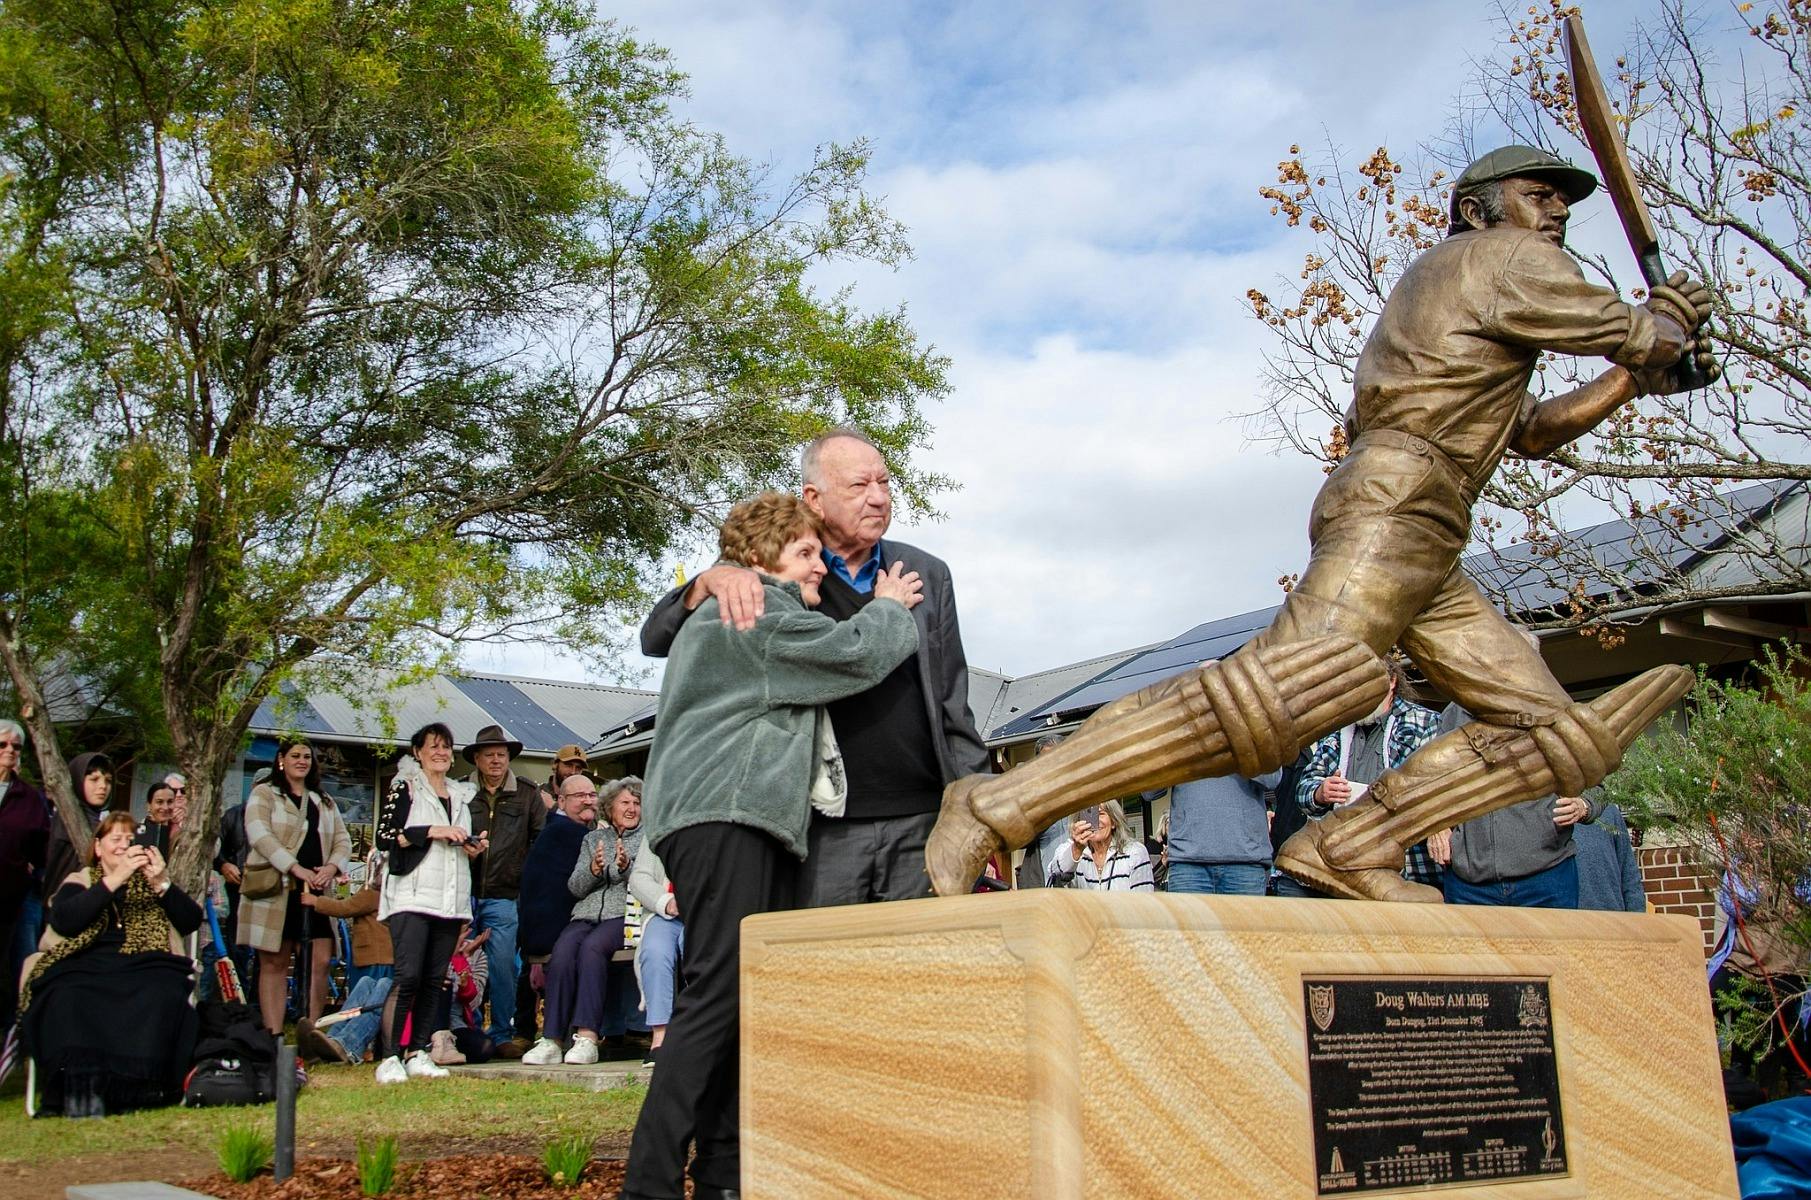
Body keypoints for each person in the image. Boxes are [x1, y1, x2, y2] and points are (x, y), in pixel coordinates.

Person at [925, 145, 1712, 902]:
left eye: (1561, 204)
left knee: (1547, 732)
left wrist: (1634, 378)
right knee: (1285, 691)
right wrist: (1662, 328)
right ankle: (999, 803)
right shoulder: (1501, 256)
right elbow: (1637, 332)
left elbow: (1531, 429)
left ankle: (1350, 844)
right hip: (1399, 502)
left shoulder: (1462, 285)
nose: (1555, 215)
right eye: (1537, 197)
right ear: (1478, 212)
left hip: (1425, 521)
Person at [623, 491, 922, 1200]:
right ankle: (649, 1183)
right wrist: (888, 606)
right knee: (717, 992)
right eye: (805, 552)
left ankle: (722, 1174)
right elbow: (852, 655)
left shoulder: (729, 604)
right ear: (759, 558)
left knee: (737, 999)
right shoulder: (754, 608)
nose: (818, 566)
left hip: (730, 818)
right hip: (729, 814)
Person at [640, 429, 987, 906]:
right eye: (859, 485)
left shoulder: (926, 572)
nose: (878, 497)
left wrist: (977, 799)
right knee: (812, 953)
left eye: (884, 483)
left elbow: (951, 699)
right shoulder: (781, 568)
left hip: (921, 819)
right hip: (818, 825)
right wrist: (707, 581)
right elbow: (656, 638)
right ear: (814, 498)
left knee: (920, 952)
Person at [17, 811, 202, 1116]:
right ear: (98, 847)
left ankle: (141, 1088)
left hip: (145, 962)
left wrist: (162, 883)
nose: (124, 845)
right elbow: (65, 921)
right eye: (116, 838)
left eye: (130, 839)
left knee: (161, 992)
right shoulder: (80, 880)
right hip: (85, 962)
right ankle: (81, 1087)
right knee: (65, 994)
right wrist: (115, 879)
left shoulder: (153, 883)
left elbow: (191, 921)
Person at [372, 722, 479, 1084]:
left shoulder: (461, 795)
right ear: (417, 752)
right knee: (408, 976)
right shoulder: (406, 787)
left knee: (435, 979)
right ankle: (389, 1056)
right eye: (433, 746)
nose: (440, 753)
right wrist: (434, 831)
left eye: (446, 747)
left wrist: (471, 845)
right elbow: (386, 837)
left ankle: (418, 1051)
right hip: (412, 896)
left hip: (450, 898)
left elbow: (458, 843)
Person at [1435, 696, 1599, 908]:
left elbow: (1597, 780)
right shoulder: (1454, 714)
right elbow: (1433, 782)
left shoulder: (1549, 702)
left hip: (1546, 879)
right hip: (1469, 887)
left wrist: (1584, 805)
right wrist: (1436, 827)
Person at [524, 779, 644, 1065]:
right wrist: (593, 869)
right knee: (563, 950)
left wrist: (626, 867)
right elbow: (575, 887)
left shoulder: (647, 839)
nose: (632, 808)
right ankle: (552, 1039)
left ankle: (587, 1036)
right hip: (586, 913)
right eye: (625, 802)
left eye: (637, 803)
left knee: (592, 948)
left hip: (624, 914)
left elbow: (646, 881)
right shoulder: (592, 839)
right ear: (610, 807)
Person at [1294, 661, 1443, 890]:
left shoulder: (1425, 722)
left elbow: (1440, 788)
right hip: (1343, 866)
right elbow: (1304, 788)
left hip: (1406, 871)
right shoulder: (1338, 728)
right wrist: (1320, 792)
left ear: (1392, 681)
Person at [241, 737, 352, 1036]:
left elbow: (342, 839)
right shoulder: (265, 794)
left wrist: (331, 867)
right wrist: (293, 866)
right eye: (295, 755)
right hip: (276, 890)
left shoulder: (323, 800)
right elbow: (259, 835)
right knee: (274, 963)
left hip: (316, 892)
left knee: (320, 961)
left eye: (306, 756)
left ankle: (311, 1030)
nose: (302, 761)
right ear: (281, 759)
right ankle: (274, 1034)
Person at [461, 724, 545, 1052]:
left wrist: (522, 874)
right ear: (477, 759)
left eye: (501, 754)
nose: (496, 760)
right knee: (461, 965)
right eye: (489, 755)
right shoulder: (460, 791)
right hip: (463, 893)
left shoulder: (527, 793)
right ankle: (464, 1031)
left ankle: (501, 1034)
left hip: (506, 894)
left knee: (503, 966)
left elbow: (540, 840)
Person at [513, 773, 600, 1050]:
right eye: (579, 796)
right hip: (552, 930)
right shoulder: (568, 833)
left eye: (592, 795)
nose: (588, 801)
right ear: (561, 801)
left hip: (545, 928)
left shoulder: (561, 829)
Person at [294, 852, 394, 1064]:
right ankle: (330, 1041)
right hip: (377, 957)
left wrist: (316, 901)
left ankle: (348, 1044)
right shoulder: (384, 894)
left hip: (376, 956)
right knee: (366, 984)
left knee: (378, 991)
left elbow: (345, 907)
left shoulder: (373, 893)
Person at [1149, 765, 1283, 896]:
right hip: (1187, 863)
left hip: (1246, 860)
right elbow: (1149, 791)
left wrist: (1238, 752)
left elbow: (1272, 779)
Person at [0, 719, 48, 1031]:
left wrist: (29, 867)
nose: (10, 751)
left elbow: (42, 844)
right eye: (2, 745)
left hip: (11, 901)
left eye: (16, 747)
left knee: (11, 972)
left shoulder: (29, 798)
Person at [628, 841, 683, 1069]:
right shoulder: (657, 827)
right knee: (654, 952)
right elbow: (638, 877)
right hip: (665, 912)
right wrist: (667, 902)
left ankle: (702, 1037)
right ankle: (660, 1038)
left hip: (705, 911)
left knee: (697, 950)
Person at [41, 752, 114, 906]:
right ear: (78, 780)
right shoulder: (67, 817)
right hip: (64, 903)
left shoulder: (100, 820)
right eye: (94, 779)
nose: (103, 786)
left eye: (108, 780)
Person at [1045, 800, 1155, 891]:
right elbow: (1054, 878)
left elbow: (1144, 900)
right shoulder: (1070, 848)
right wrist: (1076, 850)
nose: (1095, 821)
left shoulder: (1135, 852)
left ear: (1114, 822)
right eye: (1089, 814)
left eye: (1101, 814)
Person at [1574, 804, 1647, 913]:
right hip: (1558, 919)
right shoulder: (1546, 813)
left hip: (1610, 916)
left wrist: (1638, 917)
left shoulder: (1608, 810)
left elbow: (1629, 873)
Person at [134, 780, 180, 856]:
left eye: (170, 802)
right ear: (149, 806)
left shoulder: (179, 834)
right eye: (159, 802)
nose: (165, 807)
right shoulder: (136, 831)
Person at [540, 745, 591, 812]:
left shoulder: (585, 800)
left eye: (578, 768)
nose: (573, 772)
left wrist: (554, 806)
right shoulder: (537, 794)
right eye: (568, 765)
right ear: (555, 765)